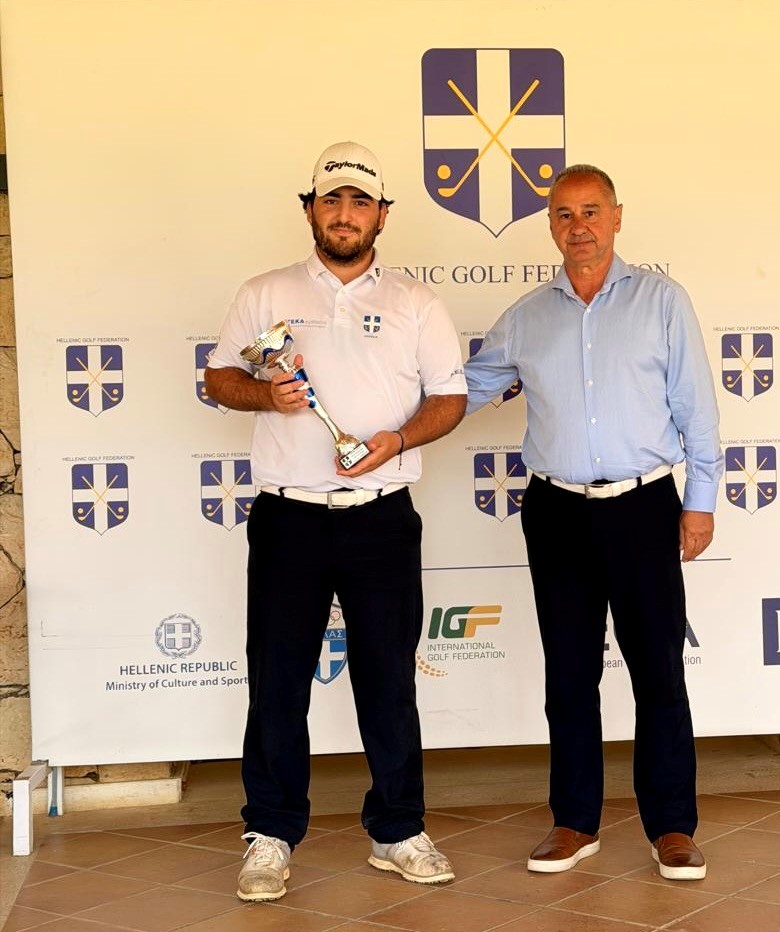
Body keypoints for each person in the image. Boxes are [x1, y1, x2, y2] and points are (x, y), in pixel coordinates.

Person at [206, 141, 467, 902]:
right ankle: (270, 834)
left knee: (388, 681)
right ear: (310, 211)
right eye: (331, 200)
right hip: (288, 517)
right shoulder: (264, 293)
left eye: (359, 202)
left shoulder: (417, 302)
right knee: (278, 681)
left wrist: (398, 441)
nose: (344, 214)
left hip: (381, 517)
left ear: (382, 215)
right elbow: (220, 378)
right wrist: (266, 395)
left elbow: (450, 398)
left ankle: (398, 830)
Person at [465, 164, 722, 881]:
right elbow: (465, 389)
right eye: (563, 214)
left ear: (616, 217)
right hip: (556, 512)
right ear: (550, 225)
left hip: (644, 507)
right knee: (569, 673)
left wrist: (700, 500)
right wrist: (383, 411)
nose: (578, 226)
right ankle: (574, 822)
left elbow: (696, 407)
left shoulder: (662, 302)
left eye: (590, 211)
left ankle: (672, 827)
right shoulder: (527, 316)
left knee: (658, 671)